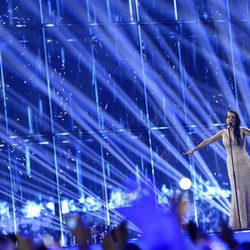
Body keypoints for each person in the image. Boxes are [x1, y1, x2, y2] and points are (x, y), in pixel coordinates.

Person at [184, 110, 250, 230]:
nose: (230, 119)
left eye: (233, 117)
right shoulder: (223, 133)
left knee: (247, 189)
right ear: (226, 120)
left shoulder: (242, 130)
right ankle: (241, 223)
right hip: (231, 164)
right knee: (237, 192)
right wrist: (194, 149)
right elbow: (207, 141)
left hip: (244, 163)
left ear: (236, 120)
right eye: (228, 117)